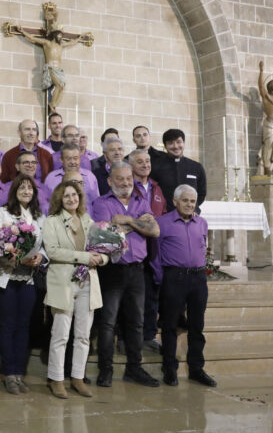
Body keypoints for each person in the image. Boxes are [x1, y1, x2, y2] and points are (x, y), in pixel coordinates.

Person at [92, 162, 160, 388]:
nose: (126, 183)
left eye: (129, 179)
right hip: (112, 269)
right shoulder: (101, 202)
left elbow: (155, 230)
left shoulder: (142, 200)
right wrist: (140, 223)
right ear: (110, 181)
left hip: (137, 271)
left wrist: (129, 220)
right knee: (108, 323)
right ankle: (106, 370)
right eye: (120, 179)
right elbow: (109, 232)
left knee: (136, 323)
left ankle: (134, 368)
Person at [42, 181, 107, 399]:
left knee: (83, 336)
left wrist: (103, 258)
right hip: (63, 283)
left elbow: (103, 248)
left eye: (75, 195)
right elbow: (52, 251)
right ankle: (56, 379)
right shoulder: (51, 222)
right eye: (67, 196)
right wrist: (85, 257)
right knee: (60, 334)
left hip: (88, 281)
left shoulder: (88, 220)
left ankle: (77, 378)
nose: (71, 199)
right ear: (60, 199)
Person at [152, 185, 217, 388]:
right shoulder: (162, 223)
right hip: (173, 278)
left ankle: (196, 369)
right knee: (170, 325)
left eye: (192, 201)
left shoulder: (202, 223)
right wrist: (162, 279)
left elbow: (202, 247)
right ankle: (169, 369)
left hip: (198, 279)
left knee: (197, 326)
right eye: (185, 200)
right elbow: (155, 256)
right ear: (175, 201)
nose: (189, 204)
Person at [0, 175, 47, 395]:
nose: (26, 191)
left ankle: (18, 373)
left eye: (30, 188)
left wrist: (40, 257)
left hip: (29, 277)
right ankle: (8, 374)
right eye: (22, 187)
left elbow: (45, 245)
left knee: (23, 326)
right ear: (14, 190)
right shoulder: (1, 213)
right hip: (6, 276)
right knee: (7, 324)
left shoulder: (39, 216)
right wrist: (14, 257)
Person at [128, 149, 167, 352]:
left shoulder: (156, 187)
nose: (145, 165)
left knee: (152, 295)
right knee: (132, 299)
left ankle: (149, 335)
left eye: (148, 161)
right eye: (140, 162)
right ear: (132, 165)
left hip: (155, 249)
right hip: (133, 247)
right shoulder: (128, 186)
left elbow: (164, 213)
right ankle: (128, 339)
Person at [150, 128, 206, 212]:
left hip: (190, 216)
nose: (175, 146)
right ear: (165, 146)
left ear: (183, 143)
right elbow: (152, 192)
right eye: (170, 143)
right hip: (165, 215)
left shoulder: (196, 167)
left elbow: (201, 194)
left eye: (178, 142)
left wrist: (190, 208)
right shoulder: (155, 167)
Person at [44, 143, 100, 212]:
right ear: (61, 159)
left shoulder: (90, 176)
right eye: (68, 159)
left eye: (75, 158)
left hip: (86, 220)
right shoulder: (51, 178)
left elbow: (96, 203)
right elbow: (46, 204)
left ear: (80, 158)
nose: (73, 162)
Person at [258, 61, 273, 174]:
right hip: (270, 126)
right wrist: (261, 71)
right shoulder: (267, 98)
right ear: (269, 87)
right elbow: (260, 86)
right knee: (269, 145)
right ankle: (267, 168)